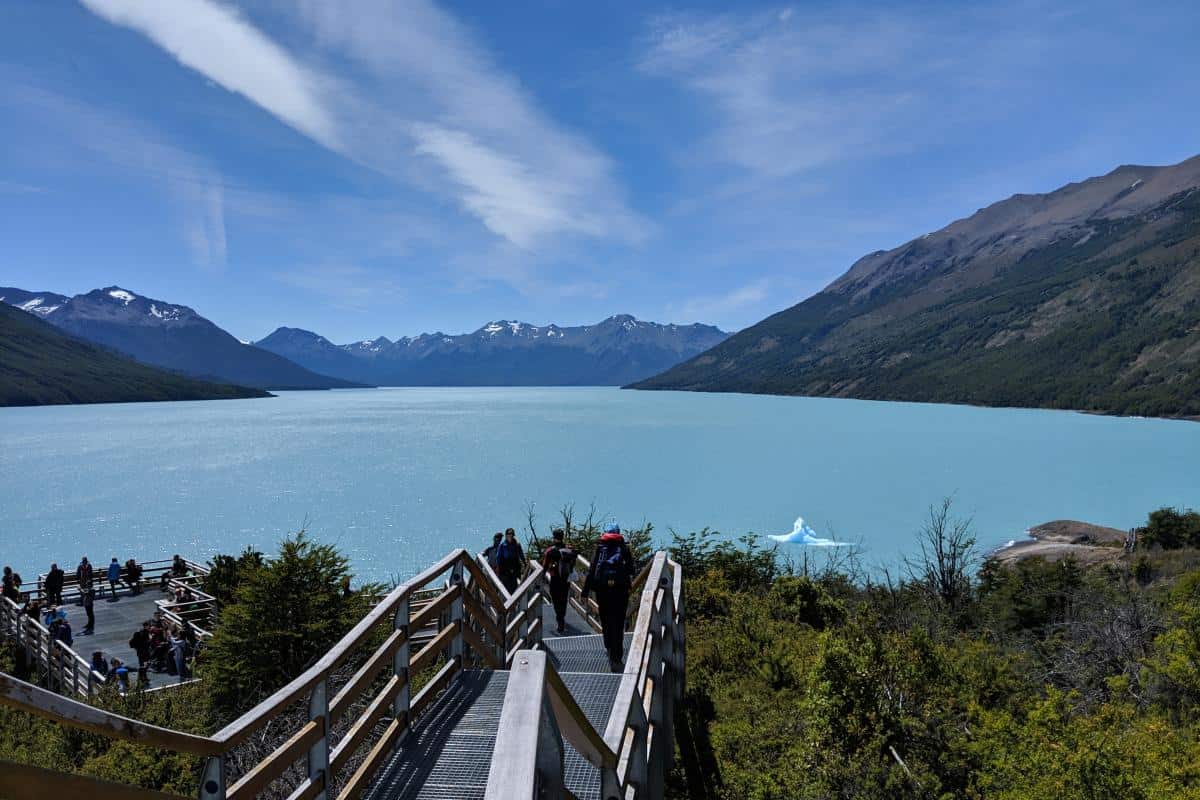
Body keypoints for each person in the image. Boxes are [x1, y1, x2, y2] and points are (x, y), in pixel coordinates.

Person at [584, 522, 635, 672]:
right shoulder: (624, 548)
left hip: (603, 590)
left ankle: (608, 646)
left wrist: (585, 591)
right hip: (620, 590)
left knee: (606, 620)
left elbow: (592, 571)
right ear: (618, 533)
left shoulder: (600, 548)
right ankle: (617, 659)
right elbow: (631, 569)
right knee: (618, 623)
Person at [541, 529, 578, 635]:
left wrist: (542, 577)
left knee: (556, 600)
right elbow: (574, 559)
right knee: (563, 599)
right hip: (565, 578)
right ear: (563, 537)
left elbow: (545, 565)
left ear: (554, 537)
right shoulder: (568, 550)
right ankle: (562, 618)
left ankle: (559, 619)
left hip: (555, 578)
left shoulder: (550, 550)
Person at [496, 528, 525, 594]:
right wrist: (498, 567)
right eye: (509, 534)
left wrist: (525, 563)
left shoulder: (517, 545)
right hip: (505, 568)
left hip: (515, 567)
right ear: (506, 535)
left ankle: (514, 600)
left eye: (512, 534)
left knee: (515, 585)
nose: (510, 535)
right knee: (507, 586)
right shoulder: (502, 545)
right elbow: (498, 557)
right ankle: (508, 601)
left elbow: (521, 555)